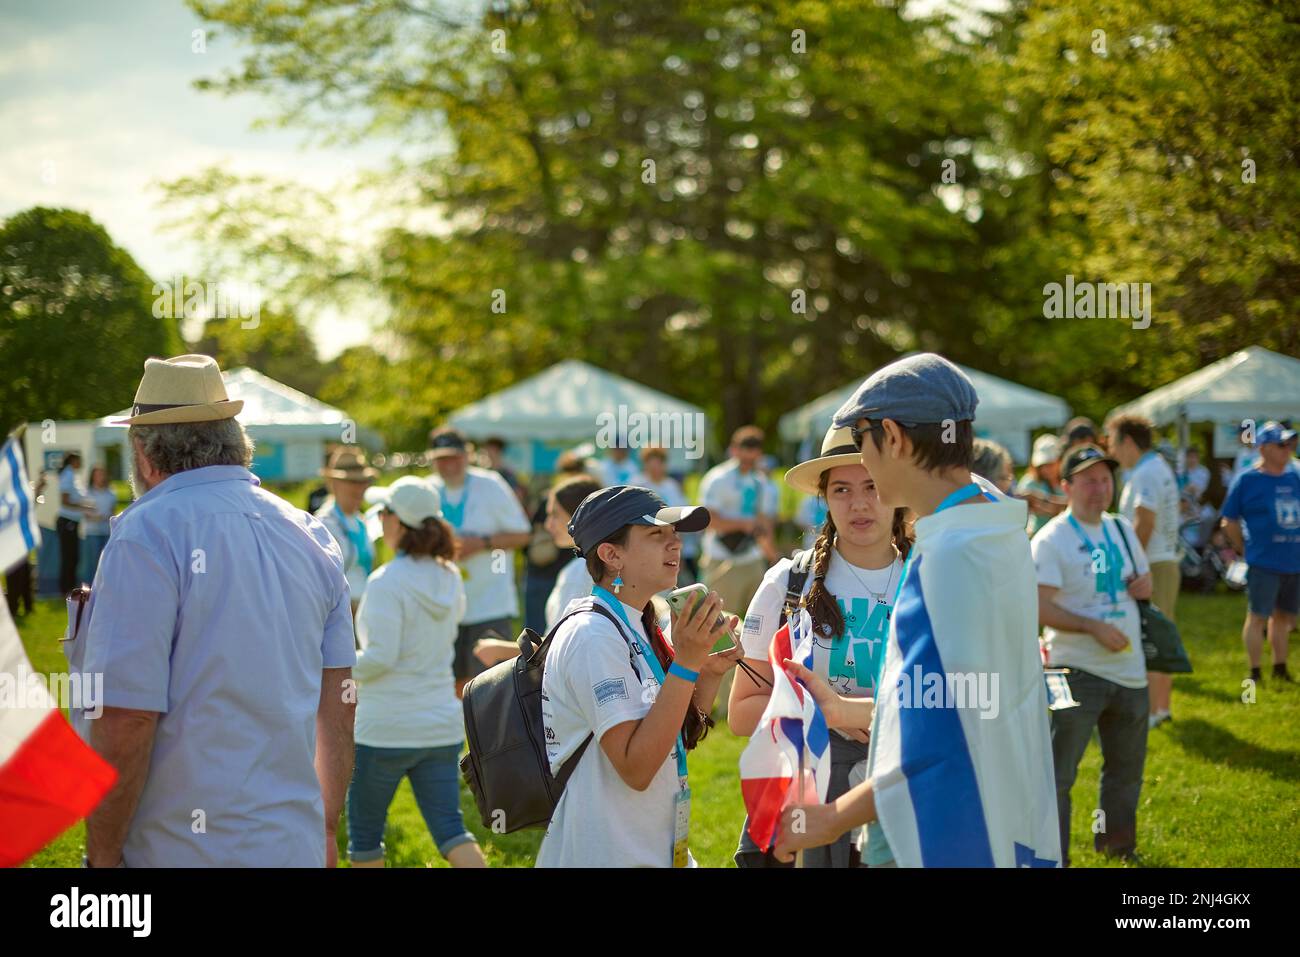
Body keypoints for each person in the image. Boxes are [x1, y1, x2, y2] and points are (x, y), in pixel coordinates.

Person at [65, 354, 356, 867]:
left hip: (180, 848)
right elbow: (339, 700)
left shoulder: (147, 532)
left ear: (145, 454)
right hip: (291, 842)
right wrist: (326, 829)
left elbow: (127, 716)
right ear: (233, 441)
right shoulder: (309, 534)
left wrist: (102, 857)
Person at [773, 353, 1059, 867]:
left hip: (944, 833)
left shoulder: (945, 561)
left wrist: (830, 817)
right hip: (1009, 824)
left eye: (863, 443)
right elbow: (974, 701)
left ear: (894, 437)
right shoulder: (995, 525)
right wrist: (847, 711)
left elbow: (934, 748)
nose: (862, 462)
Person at [729, 425, 911, 867]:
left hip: (906, 789)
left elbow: (952, 699)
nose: (860, 503)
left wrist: (851, 711)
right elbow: (741, 713)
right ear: (825, 500)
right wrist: (821, 713)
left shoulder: (929, 579)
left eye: (872, 486)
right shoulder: (789, 583)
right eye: (842, 490)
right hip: (803, 795)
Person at [537, 486, 742, 867]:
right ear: (612, 555)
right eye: (656, 535)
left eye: (675, 535)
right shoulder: (592, 636)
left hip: (650, 849)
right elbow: (637, 766)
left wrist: (705, 671)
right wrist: (686, 663)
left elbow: (669, 737)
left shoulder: (636, 620)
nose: (675, 545)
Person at [347, 477, 486, 868]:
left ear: (399, 522)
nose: (381, 520)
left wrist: (329, 663)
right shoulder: (449, 576)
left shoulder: (386, 581)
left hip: (385, 729)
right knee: (450, 828)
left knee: (365, 837)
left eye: (385, 512)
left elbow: (380, 658)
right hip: (440, 725)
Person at [1031, 444, 1153, 864]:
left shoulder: (1120, 528)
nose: (1099, 489)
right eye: (1088, 480)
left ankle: (1117, 846)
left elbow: (1143, 581)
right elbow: (1038, 606)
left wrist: (1144, 587)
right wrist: (1091, 626)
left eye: (1105, 479)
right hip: (1073, 669)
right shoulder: (1050, 539)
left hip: (1130, 670)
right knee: (1060, 775)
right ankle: (1055, 855)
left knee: (1125, 771)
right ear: (1065, 486)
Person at [425, 426, 532, 695]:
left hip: (489, 605)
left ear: (468, 455)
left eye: (454, 457)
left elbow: (522, 535)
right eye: (441, 459)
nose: (448, 465)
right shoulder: (427, 490)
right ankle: (454, 736)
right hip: (442, 605)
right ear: (432, 459)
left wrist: (482, 544)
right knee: (448, 686)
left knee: (490, 689)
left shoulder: (491, 484)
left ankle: (488, 738)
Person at [1107, 414, 1181, 729]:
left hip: (1154, 565)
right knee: (1160, 634)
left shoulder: (1145, 473)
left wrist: (1131, 565)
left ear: (1127, 441)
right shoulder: (1154, 467)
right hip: (1161, 562)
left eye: (1112, 441)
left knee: (1151, 637)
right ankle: (1160, 709)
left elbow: (1145, 522)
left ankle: (1153, 710)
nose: (1110, 450)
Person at [1221, 422, 1300, 684]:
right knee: (1257, 616)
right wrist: (1243, 548)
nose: (1287, 449)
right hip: (1263, 562)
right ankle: (1254, 672)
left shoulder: (1295, 476)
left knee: (1284, 617)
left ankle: (1280, 667)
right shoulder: (1247, 480)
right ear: (1263, 448)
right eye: (1281, 444)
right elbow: (1228, 520)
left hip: (1293, 561)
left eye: (1290, 444)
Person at [698, 426, 780, 616]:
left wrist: (772, 556)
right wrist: (743, 524)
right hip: (722, 558)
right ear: (734, 449)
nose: (750, 458)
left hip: (753, 559)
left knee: (757, 620)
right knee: (720, 622)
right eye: (745, 451)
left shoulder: (761, 482)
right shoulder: (717, 478)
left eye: (754, 452)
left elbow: (764, 524)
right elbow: (708, 520)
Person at [315, 446, 379, 614]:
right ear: (334, 484)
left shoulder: (361, 521)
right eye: (352, 482)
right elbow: (322, 583)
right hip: (341, 615)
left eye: (363, 482)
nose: (359, 488)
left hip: (365, 611)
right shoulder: (323, 524)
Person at [631, 446, 698, 584]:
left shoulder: (672, 486)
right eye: (651, 463)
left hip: (674, 545)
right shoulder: (637, 486)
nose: (655, 468)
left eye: (659, 463)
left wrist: (680, 551)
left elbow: (681, 518)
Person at [544, 474, 602, 631]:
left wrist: (499, 649)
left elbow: (557, 642)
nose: (547, 525)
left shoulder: (579, 572)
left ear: (578, 516)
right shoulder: (611, 561)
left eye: (555, 515)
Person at [56, 451, 91, 593]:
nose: (80, 463)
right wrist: (84, 507)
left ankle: (68, 587)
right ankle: (65, 589)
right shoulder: (68, 475)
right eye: (78, 460)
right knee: (69, 557)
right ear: (72, 461)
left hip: (72, 522)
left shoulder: (72, 475)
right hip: (67, 522)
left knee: (73, 557)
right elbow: (64, 501)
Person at [1018, 434, 1066, 537]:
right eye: (1042, 465)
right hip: (1038, 535)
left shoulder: (1068, 480)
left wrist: (1043, 500)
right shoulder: (1029, 483)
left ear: (1059, 460)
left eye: (1050, 464)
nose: (1045, 469)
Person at [78, 465, 117, 584]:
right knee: (91, 564)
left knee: (107, 562)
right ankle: (89, 591)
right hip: (92, 533)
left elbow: (112, 511)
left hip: (106, 532)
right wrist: (99, 518)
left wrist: (105, 517)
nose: (100, 477)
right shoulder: (88, 493)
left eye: (102, 474)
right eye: (98, 474)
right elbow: (87, 514)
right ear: (93, 477)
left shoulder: (111, 493)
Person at [481, 436, 527, 508]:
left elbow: (515, 495)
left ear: (497, 450)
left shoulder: (508, 473)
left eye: (490, 448)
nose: (487, 451)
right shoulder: (485, 472)